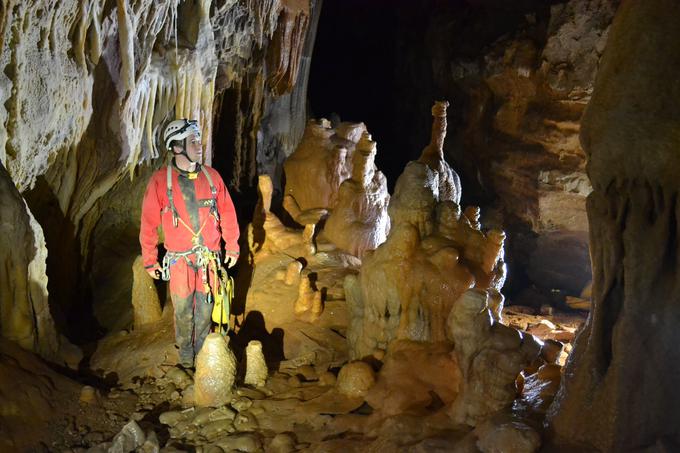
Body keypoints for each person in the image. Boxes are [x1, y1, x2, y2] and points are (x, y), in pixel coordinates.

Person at [140, 118, 239, 368]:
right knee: (183, 312)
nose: (199, 145)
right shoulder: (162, 181)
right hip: (180, 261)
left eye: (198, 140)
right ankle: (186, 359)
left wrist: (233, 245)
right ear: (176, 147)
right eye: (192, 141)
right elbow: (149, 223)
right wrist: (150, 260)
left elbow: (227, 212)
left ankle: (204, 357)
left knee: (206, 311)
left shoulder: (212, 176)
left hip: (208, 260)